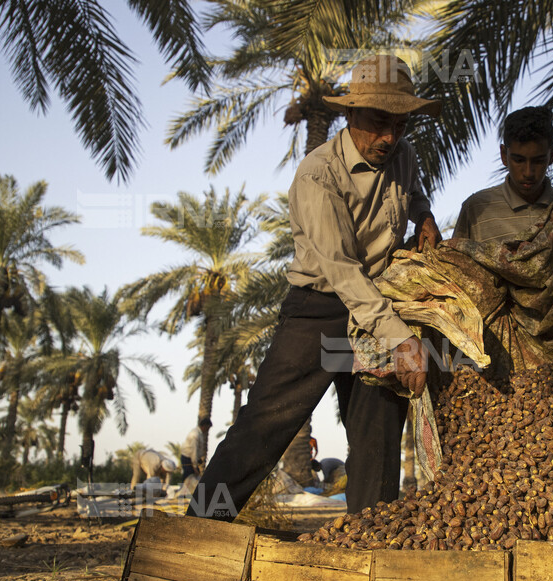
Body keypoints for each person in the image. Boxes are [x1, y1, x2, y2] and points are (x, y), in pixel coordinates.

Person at [186, 54, 441, 521]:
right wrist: (400, 338)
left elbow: (413, 191)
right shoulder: (318, 174)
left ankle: (370, 539)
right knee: (267, 422)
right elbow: (342, 270)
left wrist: (423, 215)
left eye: (401, 125)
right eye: (378, 123)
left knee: (378, 431)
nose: (389, 137)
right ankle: (199, 526)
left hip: (378, 304)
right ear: (349, 115)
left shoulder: (402, 155)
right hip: (320, 310)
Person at [453, 106, 553, 243]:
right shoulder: (476, 209)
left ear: (552, 155)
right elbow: (454, 261)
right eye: (519, 160)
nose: (528, 172)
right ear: (504, 155)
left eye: (538, 161)